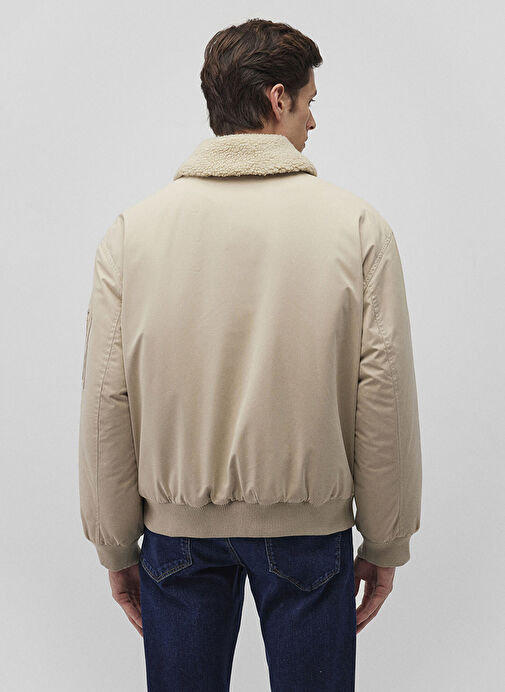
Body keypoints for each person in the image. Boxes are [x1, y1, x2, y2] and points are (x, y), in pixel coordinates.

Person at [78, 18, 422, 692]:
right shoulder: (357, 227)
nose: (313, 120)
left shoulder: (132, 233)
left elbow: (106, 399)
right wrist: (386, 538)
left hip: (176, 534)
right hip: (308, 532)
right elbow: (381, 391)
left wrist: (114, 542)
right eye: (309, 101)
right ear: (276, 98)